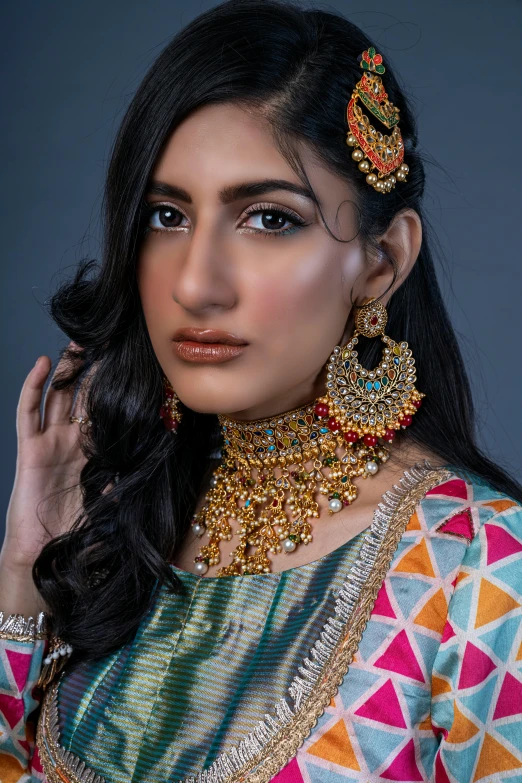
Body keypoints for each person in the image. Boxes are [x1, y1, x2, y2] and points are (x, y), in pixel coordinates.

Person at [1, 1, 521, 781]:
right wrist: (24, 569)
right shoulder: (119, 528)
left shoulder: (476, 571)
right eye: (167, 215)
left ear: (382, 261)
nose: (196, 283)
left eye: (269, 219)